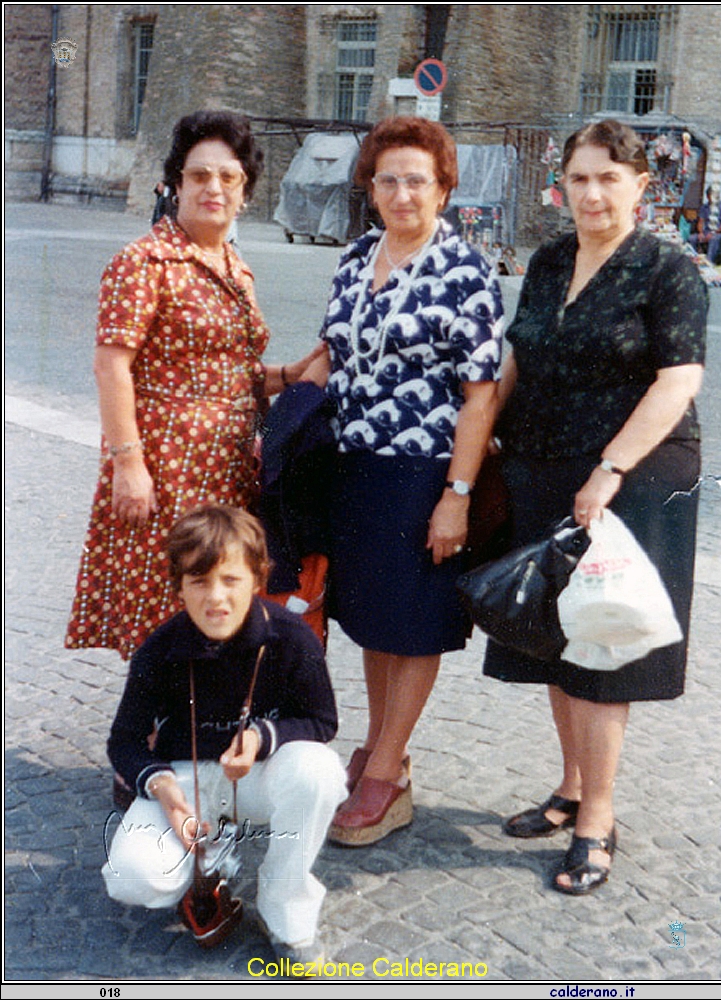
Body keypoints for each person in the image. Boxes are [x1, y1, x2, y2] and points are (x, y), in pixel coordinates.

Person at [484, 119, 707, 894]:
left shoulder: (666, 269)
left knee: (604, 646)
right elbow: (516, 356)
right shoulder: (548, 260)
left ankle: (598, 818)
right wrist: (479, 443)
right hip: (543, 464)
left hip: (633, 473)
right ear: (563, 186)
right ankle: (574, 785)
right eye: (579, 178)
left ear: (643, 187)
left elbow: (677, 382)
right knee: (557, 640)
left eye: (610, 178)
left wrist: (610, 469)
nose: (592, 193)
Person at [302, 116, 504, 846]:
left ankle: (387, 771)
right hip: (357, 465)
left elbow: (481, 394)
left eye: (417, 178)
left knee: (414, 621)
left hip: (425, 472)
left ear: (443, 187)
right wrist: (282, 382)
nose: (401, 192)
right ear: (371, 187)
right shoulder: (359, 255)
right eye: (387, 178)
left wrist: (457, 496)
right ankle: (381, 746)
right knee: (374, 616)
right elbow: (335, 351)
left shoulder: (464, 270)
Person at [66, 110, 324, 661]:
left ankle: (201, 726)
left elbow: (233, 369)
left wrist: (287, 377)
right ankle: (159, 731)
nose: (214, 188)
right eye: (199, 175)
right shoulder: (143, 263)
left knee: (217, 595)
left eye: (228, 178)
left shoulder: (234, 264)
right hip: (167, 464)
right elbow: (111, 366)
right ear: (175, 183)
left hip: (228, 468)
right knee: (167, 596)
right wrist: (128, 464)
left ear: (245, 192)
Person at [102, 505, 346, 965]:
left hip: (259, 777)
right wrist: (165, 791)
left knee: (319, 771)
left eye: (230, 580)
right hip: (185, 779)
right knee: (132, 878)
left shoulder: (292, 638)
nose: (216, 598)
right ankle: (206, 862)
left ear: (258, 578)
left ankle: (285, 909)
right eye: (199, 581)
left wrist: (260, 739)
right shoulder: (159, 649)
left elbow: (321, 721)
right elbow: (124, 741)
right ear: (178, 586)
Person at [689, 186, 721, 263]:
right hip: (706, 231)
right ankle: (693, 259)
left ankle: (709, 261)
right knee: (692, 238)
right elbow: (700, 222)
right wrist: (701, 232)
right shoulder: (704, 207)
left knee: (713, 239)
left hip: (719, 232)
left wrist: (713, 233)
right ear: (707, 196)